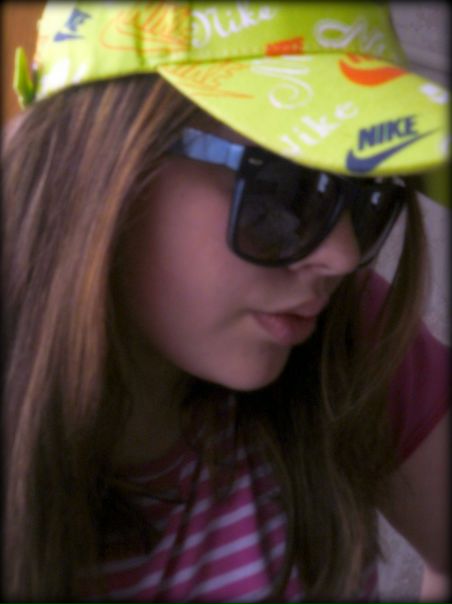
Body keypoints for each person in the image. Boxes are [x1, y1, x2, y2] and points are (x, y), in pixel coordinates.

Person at [2, 1, 449, 602]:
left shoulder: (350, 336)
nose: (343, 257)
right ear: (98, 162)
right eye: (283, 187)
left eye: (365, 194)